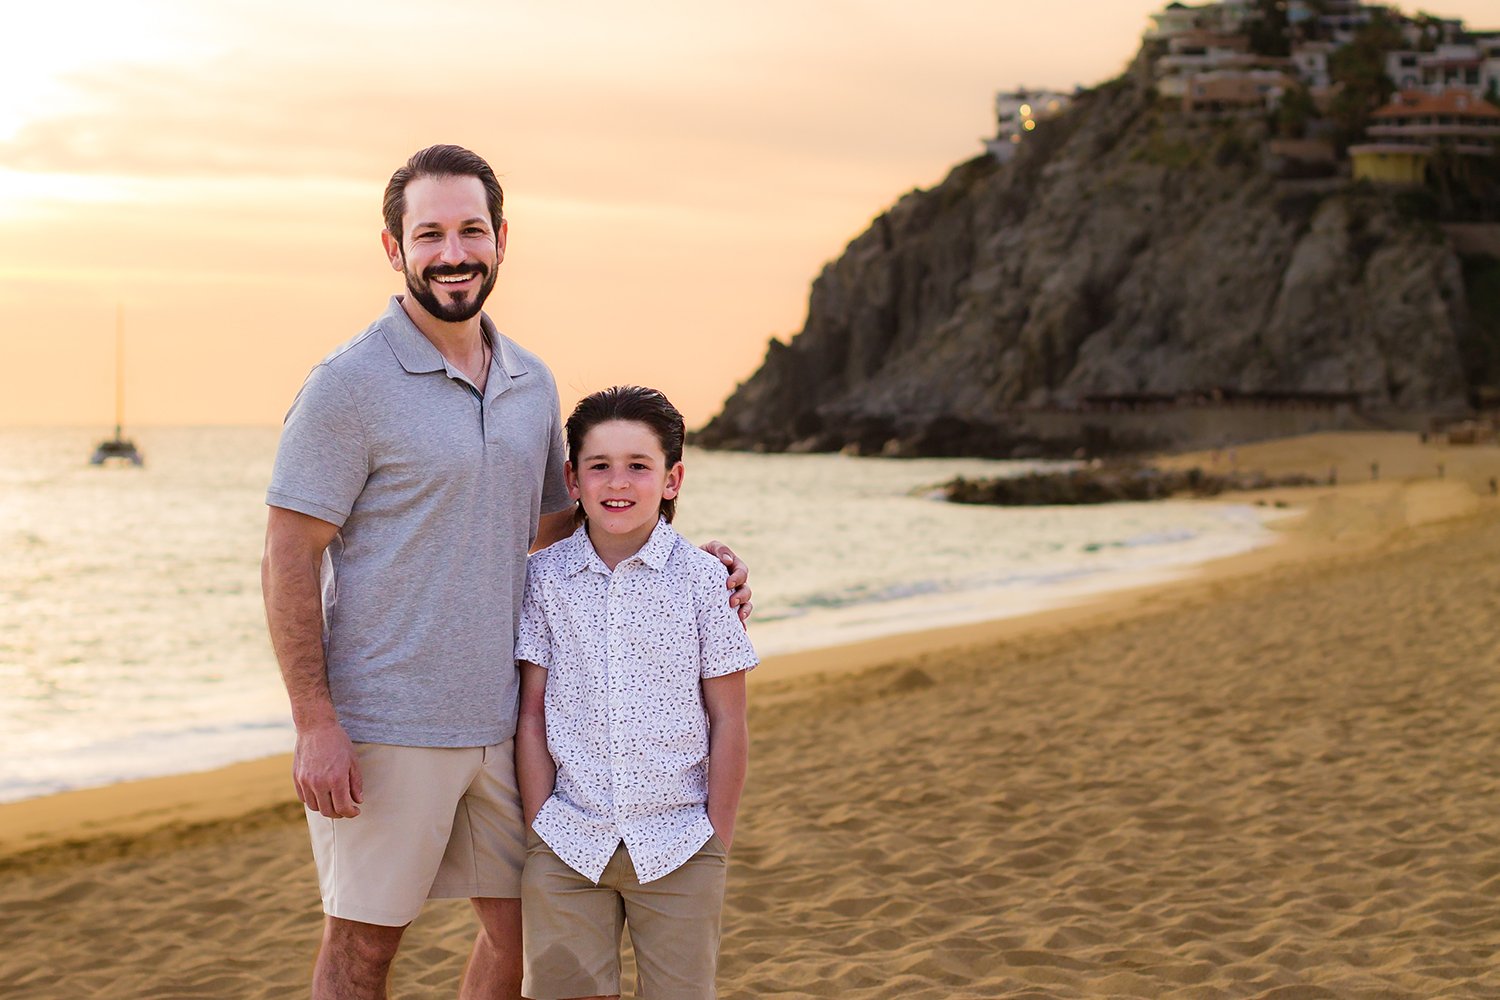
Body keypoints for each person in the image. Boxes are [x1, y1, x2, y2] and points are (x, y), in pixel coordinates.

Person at [261, 146, 750, 1000]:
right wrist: (314, 721)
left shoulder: (531, 382)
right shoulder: (347, 386)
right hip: (388, 721)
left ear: (501, 240)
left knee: (526, 936)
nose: (454, 252)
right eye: (431, 234)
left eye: (471, 230)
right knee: (365, 945)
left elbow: (563, 526)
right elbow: (288, 553)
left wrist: (684, 561)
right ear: (394, 248)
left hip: (513, 719)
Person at [515, 385, 758, 1000]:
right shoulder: (544, 579)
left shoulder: (706, 582)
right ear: (572, 479)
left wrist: (716, 837)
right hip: (567, 843)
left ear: (672, 480)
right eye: (599, 466)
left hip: (681, 844)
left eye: (638, 466)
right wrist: (543, 823)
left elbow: (729, 719)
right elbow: (533, 713)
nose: (616, 482)